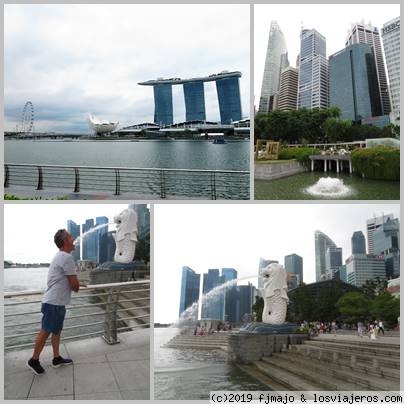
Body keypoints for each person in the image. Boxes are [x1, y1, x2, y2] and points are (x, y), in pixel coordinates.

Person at [26, 229, 83, 375]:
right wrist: (77, 284)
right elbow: (74, 287)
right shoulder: (66, 257)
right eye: (71, 237)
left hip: (56, 303)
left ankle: (56, 358)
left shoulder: (61, 256)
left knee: (56, 332)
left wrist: (76, 283)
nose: (74, 239)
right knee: (45, 332)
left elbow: (66, 280)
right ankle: (33, 360)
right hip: (53, 303)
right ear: (64, 242)